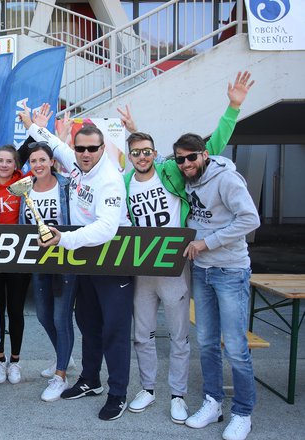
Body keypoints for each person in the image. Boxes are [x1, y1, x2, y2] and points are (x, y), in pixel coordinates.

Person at [122, 71, 253, 425]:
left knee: (180, 336)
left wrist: (233, 108)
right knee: (143, 333)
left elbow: (208, 150)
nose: (142, 156)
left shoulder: (172, 170)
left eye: (147, 150)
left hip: (176, 263)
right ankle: (148, 388)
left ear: (155, 152)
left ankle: (177, 394)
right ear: (130, 155)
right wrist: (132, 128)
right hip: (141, 264)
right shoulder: (124, 180)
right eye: (136, 152)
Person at [26, 114, 133, 421]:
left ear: (102, 149)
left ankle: (117, 393)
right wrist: (32, 126)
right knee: (88, 325)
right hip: (85, 261)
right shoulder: (77, 165)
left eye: (92, 148)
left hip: (112, 263)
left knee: (114, 330)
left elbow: (105, 229)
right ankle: (90, 380)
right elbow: (57, 146)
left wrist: (64, 239)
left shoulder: (109, 180)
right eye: (81, 148)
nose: (86, 153)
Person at [175, 119, 260, 440]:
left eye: (191, 157)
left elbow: (250, 218)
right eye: (181, 159)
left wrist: (206, 243)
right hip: (202, 271)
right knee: (207, 343)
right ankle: (213, 401)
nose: (186, 164)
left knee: (236, 347)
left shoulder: (226, 179)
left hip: (230, 271)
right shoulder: (189, 180)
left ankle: (242, 412)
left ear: (205, 155)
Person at [18, 142, 77, 402]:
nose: (38, 165)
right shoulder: (25, 188)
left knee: (61, 317)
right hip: (37, 260)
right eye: (33, 161)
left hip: (66, 258)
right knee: (43, 315)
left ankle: (61, 375)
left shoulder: (66, 185)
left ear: (52, 162)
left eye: (43, 159)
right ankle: (63, 356)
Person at [0, 145, 31, 385]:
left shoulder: (25, 184)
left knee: (16, 310)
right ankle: (0, 361)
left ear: (15, 164)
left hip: (20, 256)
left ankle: (16, 361)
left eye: (9, 161)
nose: (3, 165)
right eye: (0, 160)